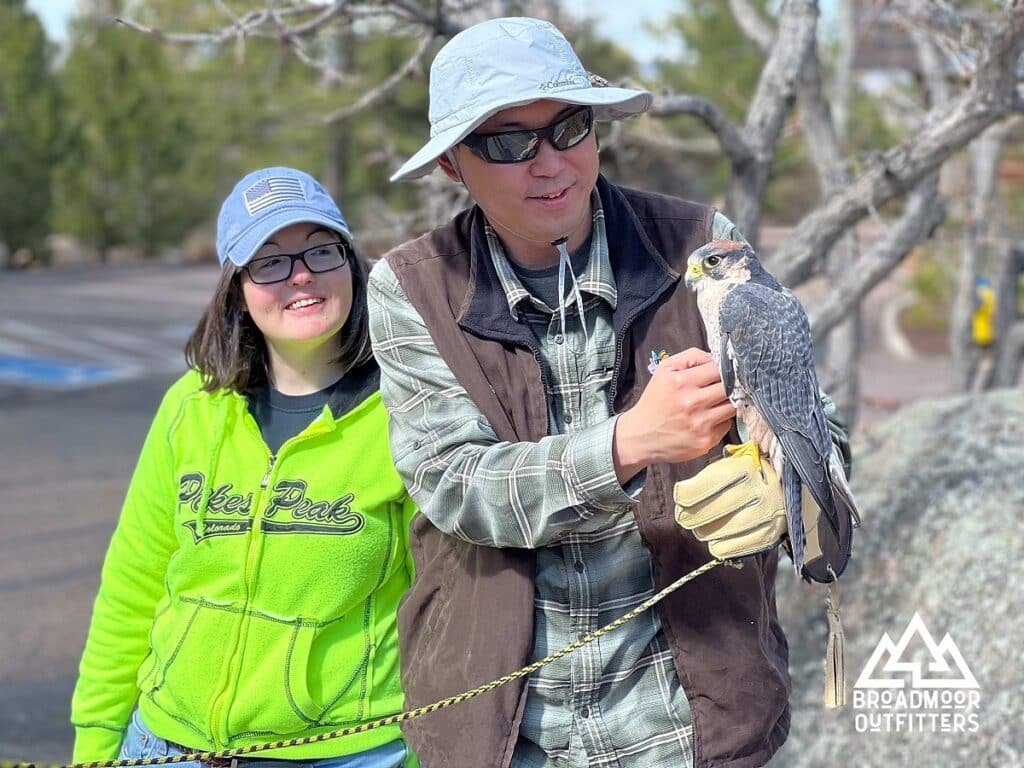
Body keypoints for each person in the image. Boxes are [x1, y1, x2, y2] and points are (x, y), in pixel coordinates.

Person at [367, 17, 851, 768]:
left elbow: (813, 417)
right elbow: (452, 484)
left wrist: (792, 486)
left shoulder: (699, 248)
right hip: (505, 730)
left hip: (694, 722)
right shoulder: (411, 287)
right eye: (508, 142)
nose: (549, 161)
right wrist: (629, 444)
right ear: (453, 168)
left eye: (569, 126)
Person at [71, 167, 417, 768]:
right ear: (236, 288)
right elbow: (132, 589)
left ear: (352, 266)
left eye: (320, 249)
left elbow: (450, 607)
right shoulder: (190, 408)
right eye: (269, 260)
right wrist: (97, 740)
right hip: (162, 747)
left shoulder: (407, 412)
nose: (301, 273)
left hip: (342, 753)